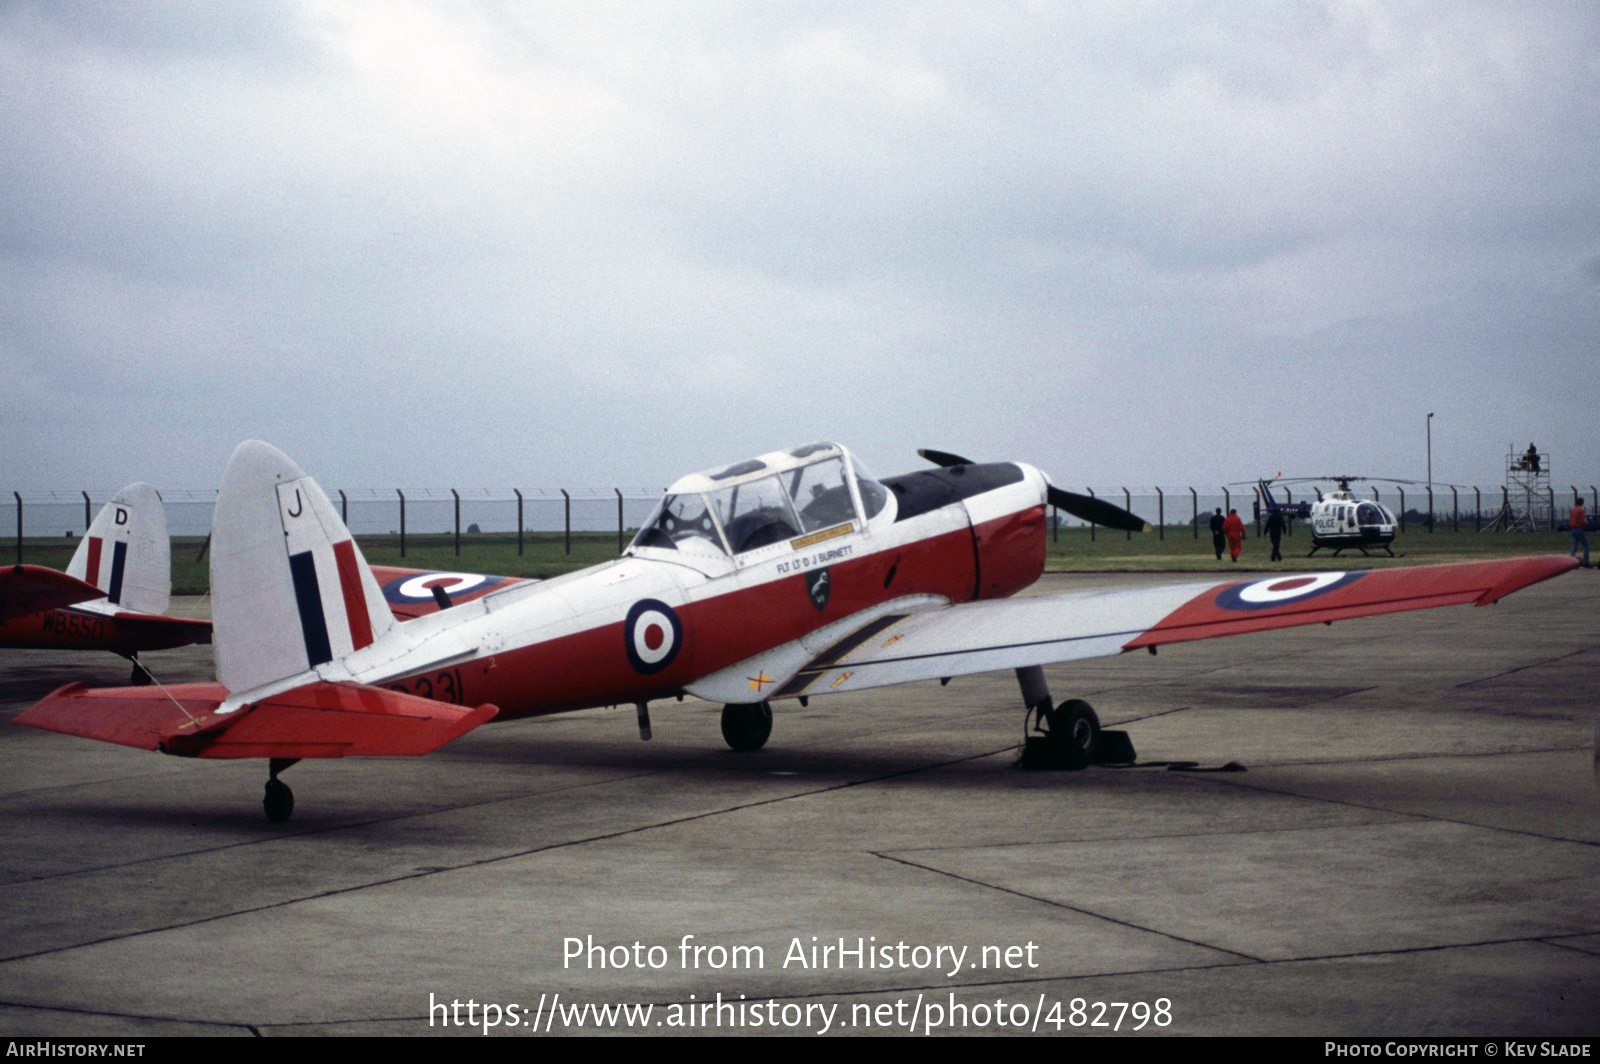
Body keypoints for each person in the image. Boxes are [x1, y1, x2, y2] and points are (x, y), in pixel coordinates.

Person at [1570, 498, 1589, 568]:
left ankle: (1571, 560)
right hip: (1579, 528)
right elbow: (1581, 521)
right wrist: (1585, 522)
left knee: (1574, 545)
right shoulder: (1581, 510)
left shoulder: (1573, 510)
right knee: (1586, 545)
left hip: (1573, 528)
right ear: (1582, 503)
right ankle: (1586, 561)